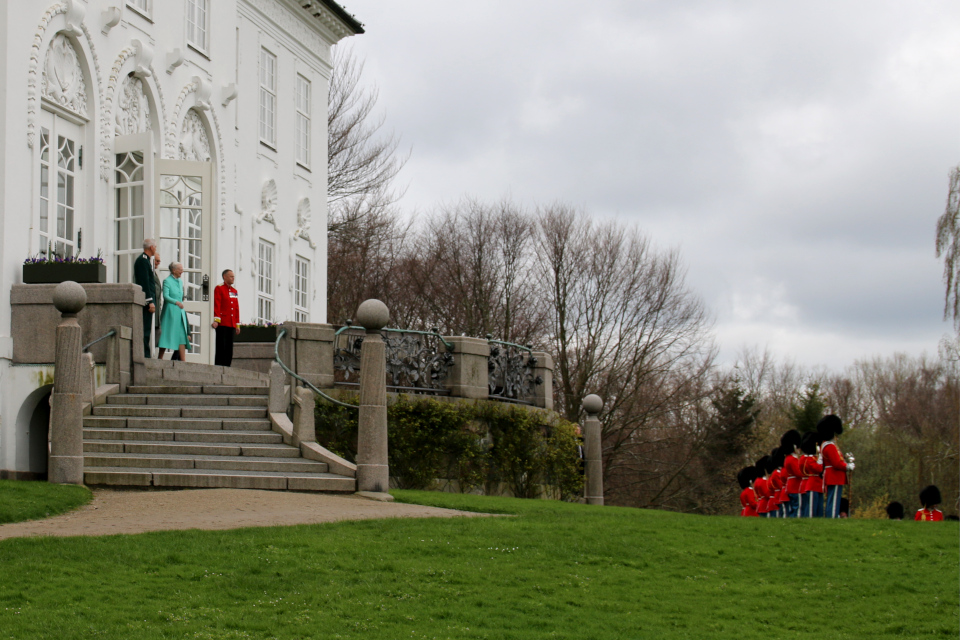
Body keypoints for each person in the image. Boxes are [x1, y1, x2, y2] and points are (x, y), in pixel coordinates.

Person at [818, 415, 854, 518]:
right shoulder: (830, 446)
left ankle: (831, 517)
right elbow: (837, 463)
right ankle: (832, 518)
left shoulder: (826, 445)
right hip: (835, 476)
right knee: (833, 501)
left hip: (833, 475)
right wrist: (848, 466)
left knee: (832, 500)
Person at [157, 262, 191, 361]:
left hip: (179, 311)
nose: (182, 271)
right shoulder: (167, 281)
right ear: (173, 270)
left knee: (182, 335)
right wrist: (176, 302)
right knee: (166, 334)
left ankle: (183, 361)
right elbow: (166, 297)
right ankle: (160, 358)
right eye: (180, 269)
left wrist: (180, 303)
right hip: (170, 311)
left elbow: (181, 295)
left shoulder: (180, 281)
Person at [133, 239, 157, 358]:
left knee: (146, 328)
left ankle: (145, 353)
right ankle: (144, 354)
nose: (156, 248)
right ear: (151, 247)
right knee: (144, 329)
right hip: (146, 301)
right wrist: (150, 301)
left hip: (148, 301)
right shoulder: (142, 261)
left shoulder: (146, 260)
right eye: (155, 246)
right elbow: (144, 283)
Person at [212, 269, 241, 366]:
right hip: (223, 322)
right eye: (231, 276)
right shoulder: (219, 288)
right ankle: (219, 366)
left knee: (229, 347)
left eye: (233, 276)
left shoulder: (234, 291)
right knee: (221, 346)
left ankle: (228, 366)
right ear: (224, 277)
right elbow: (217, 304)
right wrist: (216, 319)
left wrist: (237, 324)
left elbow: (236, 307)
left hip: (231, 322)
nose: (233, 278)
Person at [799, 431, 824, 518]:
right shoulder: (809, 459)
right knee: (811, 510)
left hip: (818, 484)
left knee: (819, 509)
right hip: (812, 484)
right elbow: (818, 469)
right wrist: (820, 460)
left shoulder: (810, 458)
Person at [781, 430, 803, 518]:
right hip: (796, 486)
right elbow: (798, 473)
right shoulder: (793, 459)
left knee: (793, 508)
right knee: (798, 508)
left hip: (791, 486)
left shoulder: (787, 458)